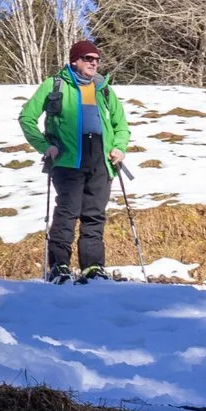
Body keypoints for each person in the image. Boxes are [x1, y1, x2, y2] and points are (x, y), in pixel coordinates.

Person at [17, 39, 129, 283]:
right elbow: (27, 118)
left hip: (101, 158)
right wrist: (45, 146)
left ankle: (93, 268)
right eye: (88, 58)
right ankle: (59, 266)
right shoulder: (54, 84)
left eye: (97, 59)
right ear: (74, 61)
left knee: (94, 214)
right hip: (67, 159)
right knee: (67, 212)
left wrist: (119, 148)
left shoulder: (103, 88)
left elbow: (121, 125)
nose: (94, 63)